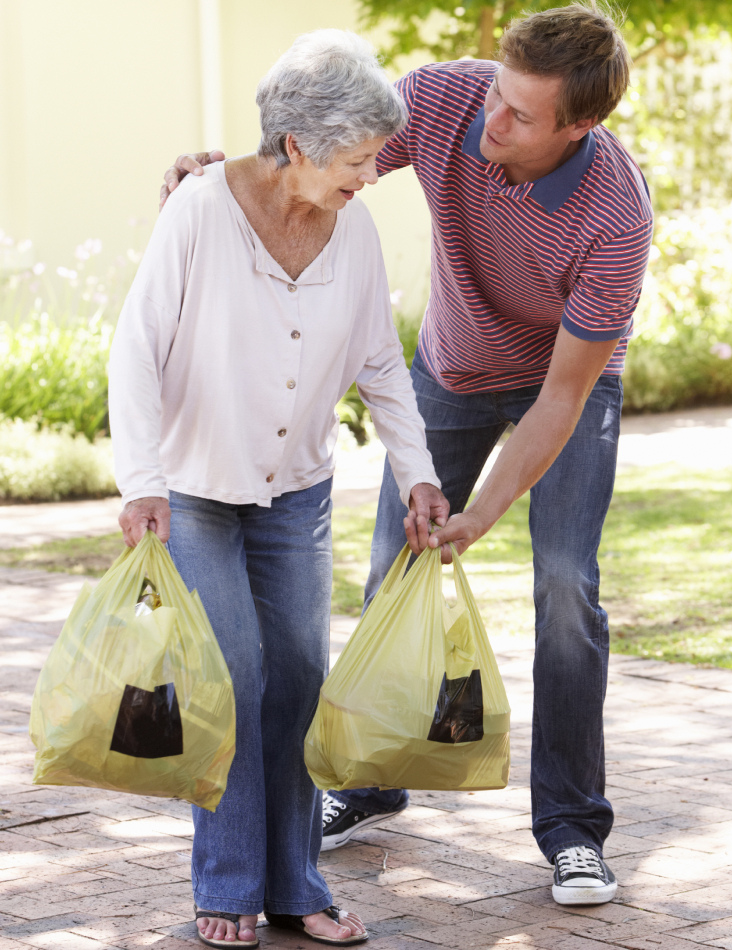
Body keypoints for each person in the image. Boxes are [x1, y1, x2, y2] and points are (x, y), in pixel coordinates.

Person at [161, 2, 653, 907]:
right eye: (495, 94)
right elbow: (318, 164)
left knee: (564, 584)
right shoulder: (444, 99)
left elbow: (560, 398)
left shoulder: (615, 216)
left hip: (562, 388)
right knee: (392, 570)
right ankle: (371, 779)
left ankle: (573, 827)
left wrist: (481, 513)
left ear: (580, 126)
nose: (490, 121)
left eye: (520, 115)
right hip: (453, 367)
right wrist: (227, 179)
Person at [111, 30, 449, 949]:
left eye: (377, 155)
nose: (372, 175)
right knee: (234, 676)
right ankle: (226, 886)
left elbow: (381, 361)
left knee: (300, 678)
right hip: (194, 490)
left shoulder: (355, 228)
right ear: (295, 146)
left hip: (295, 491)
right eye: (356, 158)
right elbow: (136, 348)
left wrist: (417, 473)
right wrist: (140, 480)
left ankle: (298, 885)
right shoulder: (199, 211)